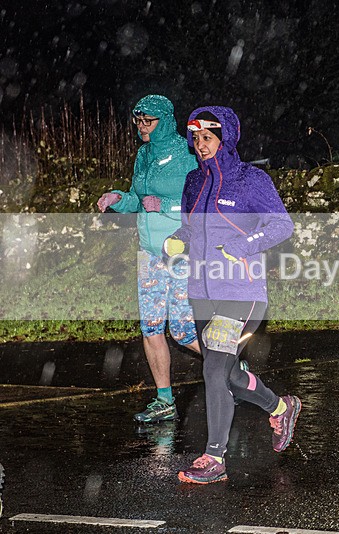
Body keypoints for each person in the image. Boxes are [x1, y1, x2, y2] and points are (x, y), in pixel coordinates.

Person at [167, 106, 297, 484]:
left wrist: (243, 246)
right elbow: (192, 229)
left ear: (225, 139)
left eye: (208, 137)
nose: (200, 144)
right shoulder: (194, 181)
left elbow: (281, 225)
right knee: (229, 376)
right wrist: (178, 239)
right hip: (203, 292)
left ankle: (214, 458)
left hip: (241, 293)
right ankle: (280, 406)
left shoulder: (250, 179)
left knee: (213, 371)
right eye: (196, 137)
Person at [96, 94, 200, 423]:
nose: (141, 127)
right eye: (138, 121)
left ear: (165, 121)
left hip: (181, 252)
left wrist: (166, 207)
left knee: (183, 331)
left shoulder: (187, 153)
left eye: (148, 122)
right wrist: (119, 198)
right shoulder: (143, 154)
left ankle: (230, 367)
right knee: (152, 327)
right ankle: (164, 401)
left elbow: (200, 200)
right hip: (149, 253)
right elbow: (140, 199)